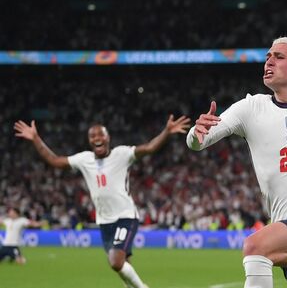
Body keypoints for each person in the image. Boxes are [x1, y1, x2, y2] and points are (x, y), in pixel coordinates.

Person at [187, 37, 287, 288]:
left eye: (279, 56)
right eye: (267, 56)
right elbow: (199, 141)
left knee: (256, 247)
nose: (269, 61)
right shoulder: (250, 108)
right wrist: (195, 134)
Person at [14, 115, 191, 288]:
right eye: (93, 136)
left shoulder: (121, 154)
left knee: (115, 261)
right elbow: (54, 160)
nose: (97, 138)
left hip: (125, 216)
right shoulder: (84, 159)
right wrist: (36, 138)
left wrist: (166, 131)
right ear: (89, 140)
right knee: (122, 265)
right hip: (105, 221)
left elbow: (149, 148)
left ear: (108, 138)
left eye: (101, 135)